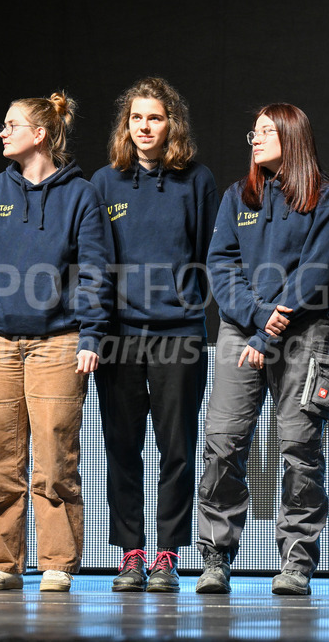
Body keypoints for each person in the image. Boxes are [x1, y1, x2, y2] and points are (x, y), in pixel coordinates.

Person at [0, 92, 112, 593]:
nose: (2, 131)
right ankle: (0, 563)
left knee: (55, 456)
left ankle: (58, 563)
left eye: (11, 124)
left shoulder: (80, 195)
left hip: (59, 342)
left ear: (39, 134)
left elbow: (94, 270)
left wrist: (91, 333)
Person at [195, 103, 329, 596]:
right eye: (252, 131)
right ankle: (216, 556)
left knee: (301, 448)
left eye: (264, 132)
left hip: (304, 330)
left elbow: (316, 271)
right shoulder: (239, 195)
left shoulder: (326, 196)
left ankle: (297, 562)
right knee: (222, 442)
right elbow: (221, 264)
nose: (254, 140)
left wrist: (272, 328)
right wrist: (258, 319)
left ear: (291, 136)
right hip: (243, 328)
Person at [90, 77, 218, 593]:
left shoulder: (197, 180)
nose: (145, 127)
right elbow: (93, 262)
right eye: (136, 117)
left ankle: (167, 554)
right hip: (119, 336)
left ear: (172, 124)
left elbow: (213, 253)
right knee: (122, 447)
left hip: (179, 333)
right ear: (127, 124)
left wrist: (188, 300)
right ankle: (131, 553)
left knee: (177, 447)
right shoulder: (104, 183)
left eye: (155, 117)